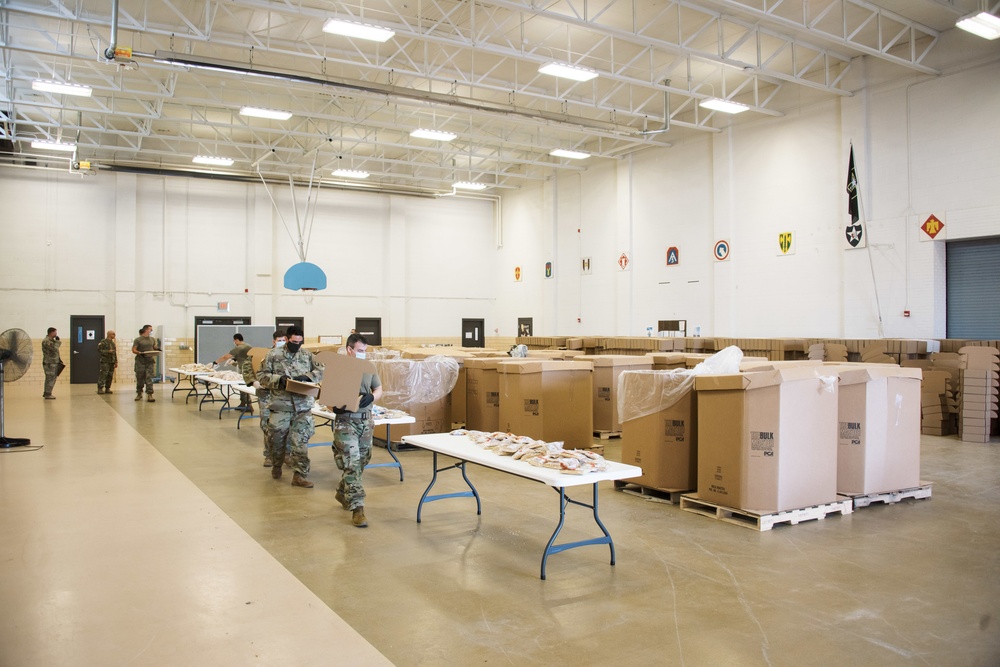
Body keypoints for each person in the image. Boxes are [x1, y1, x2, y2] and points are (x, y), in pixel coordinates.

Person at [258, 326, 323, 488]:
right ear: (286, 339)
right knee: (276, 439)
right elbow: (261, 376)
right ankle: (277, 464)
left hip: (302, 406)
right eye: (294, 342)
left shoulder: (307, 355)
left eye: (300, 342)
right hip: (281, 405)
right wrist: (278, 380)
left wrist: (307, 377)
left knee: (300, 442)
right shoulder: (273, 355)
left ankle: (299, 475)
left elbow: (321, 371)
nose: (297, 345)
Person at [332, 333, 382, 528]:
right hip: (346, 421)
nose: (363, 354)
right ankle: (358, 508)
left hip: (366, 421)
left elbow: (378, 389)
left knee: (362, 461)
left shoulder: (369, 367)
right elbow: (328, 396)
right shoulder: (338, 368)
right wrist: (335, 407)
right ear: (349, 350)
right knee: (352, 463)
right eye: (360, 351)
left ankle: (342, 491)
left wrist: (372, 397)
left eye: (365, 351)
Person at [251, 330, 286, 467]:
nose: (282, 342)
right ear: (274, 341)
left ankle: (286, 454)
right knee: (267, 425)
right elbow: (249, 367)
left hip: (284, 397)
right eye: (279, 340)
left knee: (286, 426)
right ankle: (269, 455)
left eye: (284, 340)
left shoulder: (291, 356)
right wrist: (253, 381)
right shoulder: (264, 354)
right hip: (266, 395)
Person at [215, 333, 254, 412]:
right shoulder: (248, 346)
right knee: (243, 386)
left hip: (244, 369)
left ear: (236, 340)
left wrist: (215, 362)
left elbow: (226, 357)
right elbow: (244, 357)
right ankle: (243, 403)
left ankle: (248, 405)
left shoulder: (239, 348)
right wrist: (234, 360)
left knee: (243, 387)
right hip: (249, 368)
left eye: (234, 341)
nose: (234, 342)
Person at [132, 324, 159, 402]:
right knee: (140, 377)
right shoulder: (138, 340)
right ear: (146, 330)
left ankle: (150, 394)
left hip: (149, 361)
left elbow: (154, 347)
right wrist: (140, 352)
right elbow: (134, 350)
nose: (151, 331)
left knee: (149, 378)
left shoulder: (152, 339)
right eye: (150, 329)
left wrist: (158, 349)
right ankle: (139, 393)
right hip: (140, 361)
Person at [41, 327, 62, 399]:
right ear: (51, 332)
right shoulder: (47, 341)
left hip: (53, 362)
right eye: (55, 332)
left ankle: (47, 392)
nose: (56, 334)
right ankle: (48, 394)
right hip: (49, 363)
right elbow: (55, 348)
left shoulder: (51, 341)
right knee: (50, 378)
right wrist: (58, 342)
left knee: (51, 378)